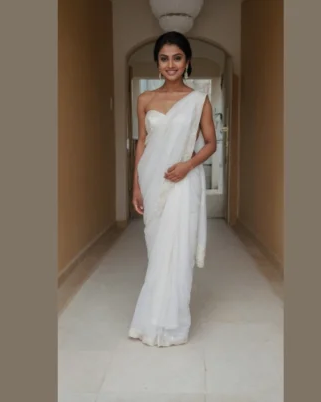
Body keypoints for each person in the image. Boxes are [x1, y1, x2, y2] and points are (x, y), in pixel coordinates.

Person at [128, 31, 217, 347]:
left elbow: (211, 143)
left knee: (177, 252)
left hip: (183, 183)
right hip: (153, 182)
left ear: (187, 61)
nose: (170, 65)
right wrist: (136, 186)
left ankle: (173, 325)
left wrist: (187, 166)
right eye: (164, 58)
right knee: (157, 251)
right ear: (157, 63)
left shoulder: (199, 100)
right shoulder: (145, 100)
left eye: (177, 58)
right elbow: (142, 144)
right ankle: (150, 321)